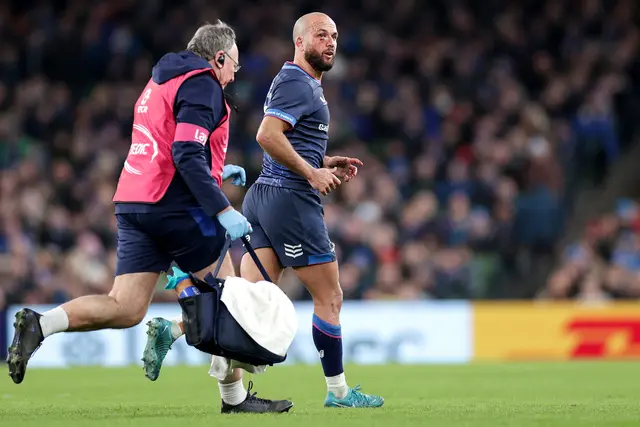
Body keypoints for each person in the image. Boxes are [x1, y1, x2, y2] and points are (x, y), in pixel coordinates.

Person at [7, 20, 292, 414]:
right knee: (228, 297)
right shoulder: (202, 83)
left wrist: (214, 172)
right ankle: (234, 399)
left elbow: (165, 141)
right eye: (234, 66)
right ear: (219, 57)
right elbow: (186, 154)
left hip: (134, 201)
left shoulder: (160, 80)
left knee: (125, 306)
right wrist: (223, 208)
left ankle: (42, 324)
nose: (233, 75)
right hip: (175, 207)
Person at [142, 12, 384, 409]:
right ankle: (339, 392)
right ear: (300, 42)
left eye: (335, 36)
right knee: (331, 297)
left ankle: (177, 328)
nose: (330, 42)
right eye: (321, 35)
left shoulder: (299, 83)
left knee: (251, 303)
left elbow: (289, 140)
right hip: (290, 200)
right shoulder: (297, 82)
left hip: (266, 196)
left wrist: (321, 162)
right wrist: (311, 173)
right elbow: (266, 135)